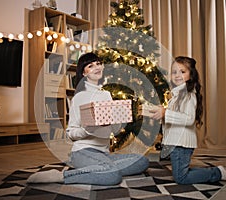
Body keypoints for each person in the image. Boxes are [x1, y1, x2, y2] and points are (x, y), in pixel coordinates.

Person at [27, 52, 149, 185]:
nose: (97, 67)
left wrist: (118, 121)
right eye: (90, 66)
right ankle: (62, 176)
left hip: (104, 153)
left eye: (98, 64)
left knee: (141, 161)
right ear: (84, 73)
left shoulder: (107, 95)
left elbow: (113, 130)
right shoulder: (80, 97)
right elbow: (71, 133)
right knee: (112, 176)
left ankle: (100, 169)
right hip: (83, 152)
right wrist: (88, 130)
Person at [150, 56, 226, 184]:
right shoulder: (175, 95)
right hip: (176, 143)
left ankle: (217, 173)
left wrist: (166, 113)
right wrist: (162, 114)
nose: (177, 75)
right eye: (174, 72)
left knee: (181, 178)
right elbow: (172, 118)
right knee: (181, 172)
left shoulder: (189, 95)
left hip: (182, 144)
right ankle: (213, 171)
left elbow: (189, 119)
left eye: (182, 71)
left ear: (191, 75)